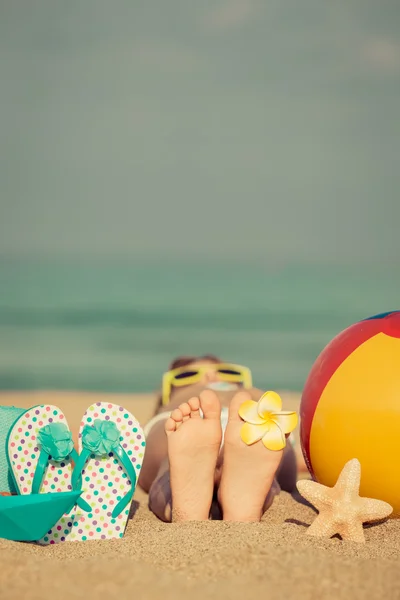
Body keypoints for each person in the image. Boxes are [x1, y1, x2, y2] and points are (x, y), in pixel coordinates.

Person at [138, 355, 300, 523]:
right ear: (167, 393)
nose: (210, 376)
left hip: (245, 421)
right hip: (241, 423)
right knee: (266, 465)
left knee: (170, 467)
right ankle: (247, 504)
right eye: (187, 375)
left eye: (226, 372)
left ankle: (180, 505)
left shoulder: (184, 403)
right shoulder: (176, 405)